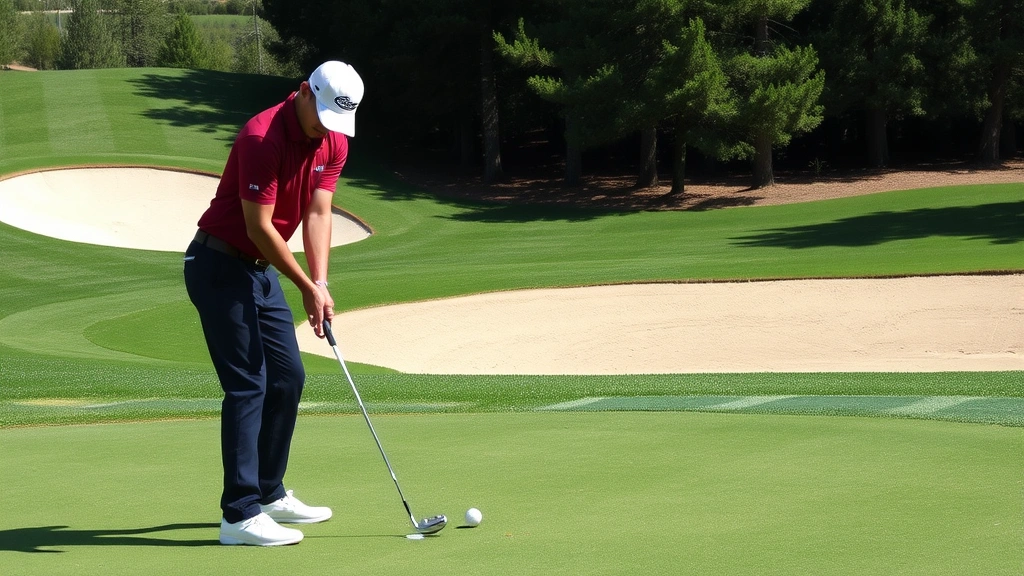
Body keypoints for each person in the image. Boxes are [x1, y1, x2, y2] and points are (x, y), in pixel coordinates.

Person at [183, 60, 364, 547]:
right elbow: (260, 227)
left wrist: (320, 281)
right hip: (219, 264)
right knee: (248, 385)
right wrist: (305, 286)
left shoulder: (333, 138)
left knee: (289, 376)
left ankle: (268, 491)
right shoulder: (261, 138)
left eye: (334, 122)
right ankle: (239, 514)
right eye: (320, 114)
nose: (324, 129)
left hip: (259, 272)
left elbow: (319, 210)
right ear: (305, 91)